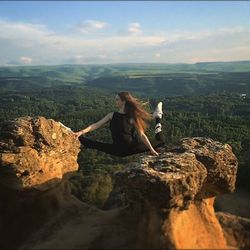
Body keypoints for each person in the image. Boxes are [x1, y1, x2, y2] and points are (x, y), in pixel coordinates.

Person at [73, 91, 165, 157]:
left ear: (123, 101)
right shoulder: (112, 115)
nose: (115, 101)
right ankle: (72, 134)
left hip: (131, 148)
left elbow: (141, 135)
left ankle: (158, 117)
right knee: (92, 144)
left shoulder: (132, 117)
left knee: (160, 141)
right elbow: (96, 125)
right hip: (117, 149)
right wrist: (81, 132)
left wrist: (151, 149)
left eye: (117, 99)